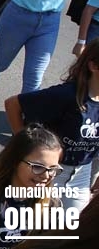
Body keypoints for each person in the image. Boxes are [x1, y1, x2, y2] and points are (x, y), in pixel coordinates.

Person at [5, 41, 99, 212]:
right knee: (30, 221)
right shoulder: (67, 95)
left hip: (81, 175)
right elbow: (13, 104)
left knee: (72, 225)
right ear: (93, 66)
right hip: (47, 171)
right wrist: (24, 145)